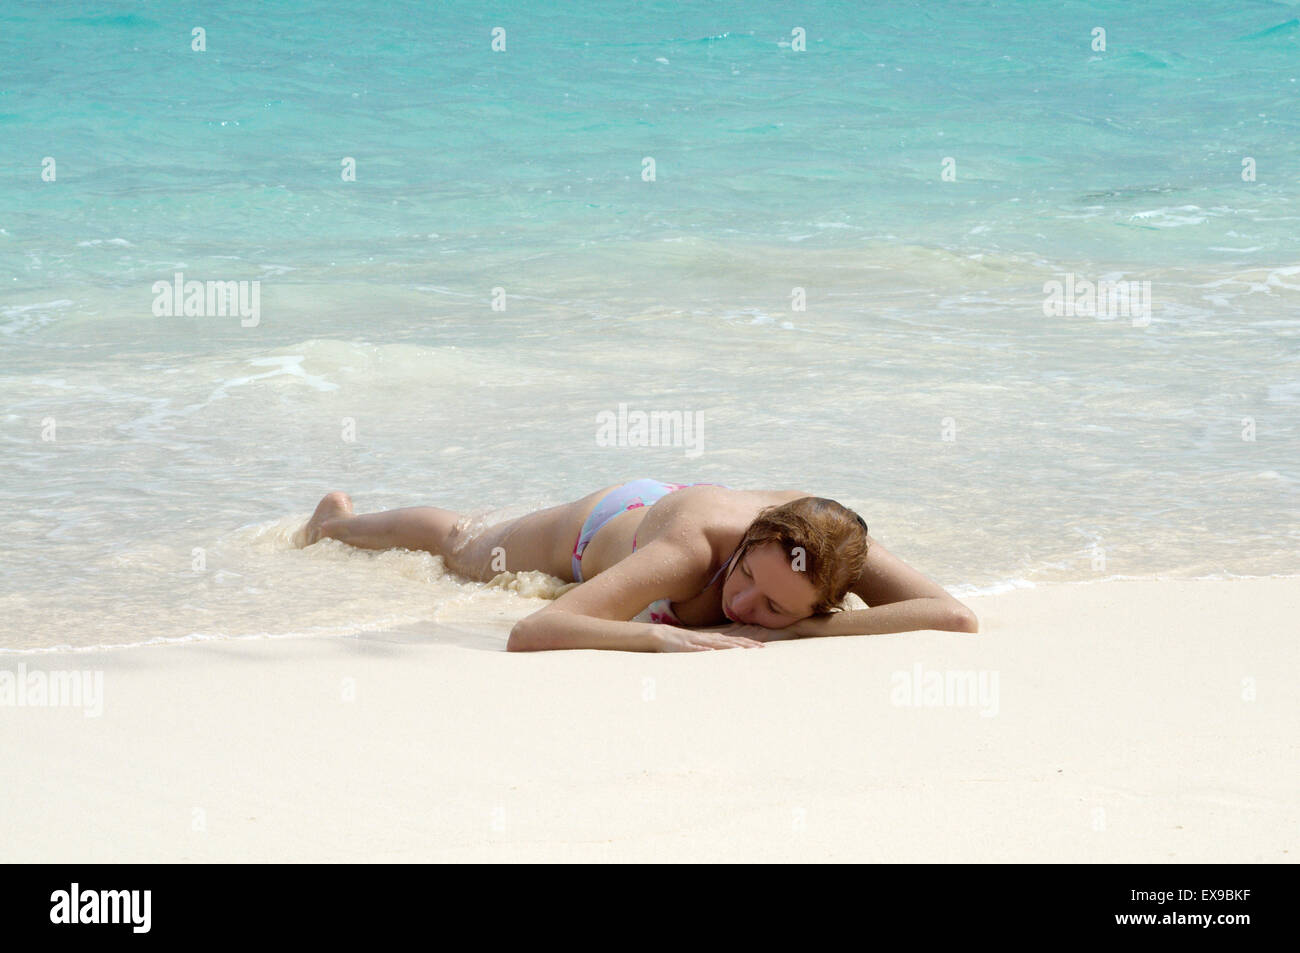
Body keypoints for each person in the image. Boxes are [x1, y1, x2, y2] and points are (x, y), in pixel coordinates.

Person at [298, 478, 978, 653]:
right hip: (604, 524)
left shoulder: (827, 545)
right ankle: (335, 521)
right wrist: (655, 635)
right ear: (749, 542)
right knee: (466, 545)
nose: (744, 607)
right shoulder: (695, 556)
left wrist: (801, 631)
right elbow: (532, 630)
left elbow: (952, 616)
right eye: (744, 578)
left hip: (674, 511)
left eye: (773, 605)